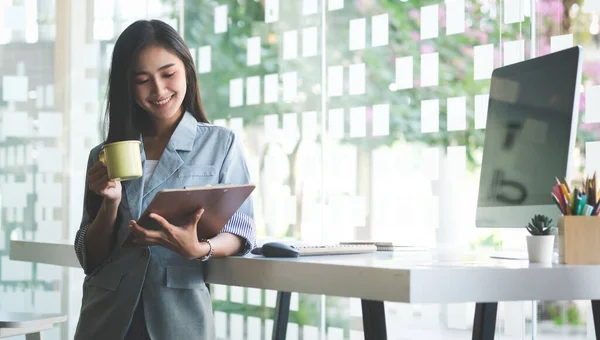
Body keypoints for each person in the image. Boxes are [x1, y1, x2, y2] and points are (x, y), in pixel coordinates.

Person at [73, 19, 256, 340]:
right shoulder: (104, 154)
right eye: (142, 80)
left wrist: (199, 249)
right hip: (106, 317)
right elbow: (90, 257)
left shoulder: (220, 143)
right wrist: (111, 204)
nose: (158, 90)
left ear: (187, 70)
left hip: (178, 314)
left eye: (168, 74)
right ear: (126, 87)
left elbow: (241, 231)